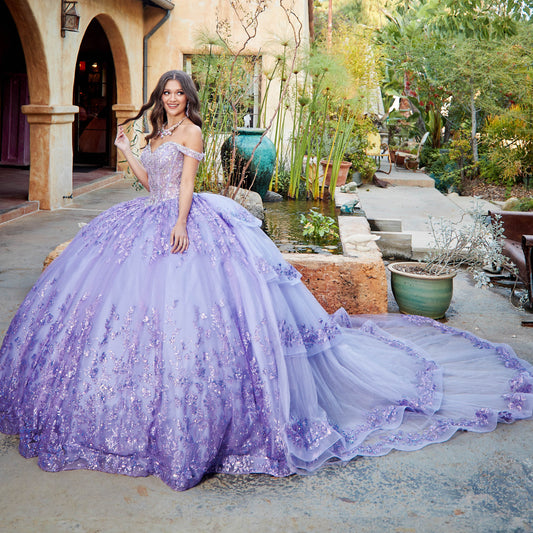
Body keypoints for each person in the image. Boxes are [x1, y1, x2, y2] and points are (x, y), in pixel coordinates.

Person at [0, 70, 532, 492]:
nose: (170, 100)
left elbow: (185, 184)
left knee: (198, 311)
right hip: (146, 217)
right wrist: (127, 150)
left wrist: (181, 224)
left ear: (188, 98)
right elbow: (148, 182)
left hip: (183, 220)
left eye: (177, 93)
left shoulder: (193, 132)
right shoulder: (159, 131)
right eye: (164, 94)